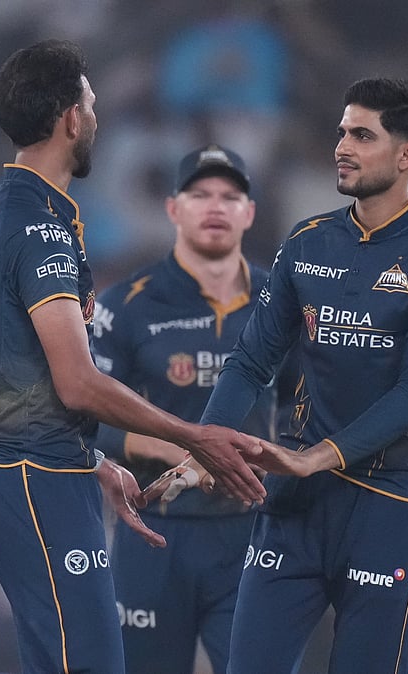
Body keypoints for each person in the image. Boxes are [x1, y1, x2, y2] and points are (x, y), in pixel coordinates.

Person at [0, 40, 267, 674]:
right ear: (70, 120)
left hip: (33, 465)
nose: (97, 116)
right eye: (91, 102)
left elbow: (17, 364)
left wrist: (89, 457)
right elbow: (78, 382)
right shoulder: (38, 228)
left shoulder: (2, 212)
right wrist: (193, 436)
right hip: (32, 473)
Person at [201, 77, 408, 673]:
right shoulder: (306, 241)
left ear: (407, 156)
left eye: (362, 134)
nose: (342, 146)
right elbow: (251, 361)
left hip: (389, 504)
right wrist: (206, 444)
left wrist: (315, 455)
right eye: (341, 132)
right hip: (295, 503)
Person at [90, 144, 283, 673]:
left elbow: (310, 405)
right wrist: (180, 448)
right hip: (153, 533)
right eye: (199, 195)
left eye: (229, 196)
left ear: (249, 212)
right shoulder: (125, 304)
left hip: (254, 537)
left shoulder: (283, 303)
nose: (215, 206)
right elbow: (88, 415)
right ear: (173, 208)